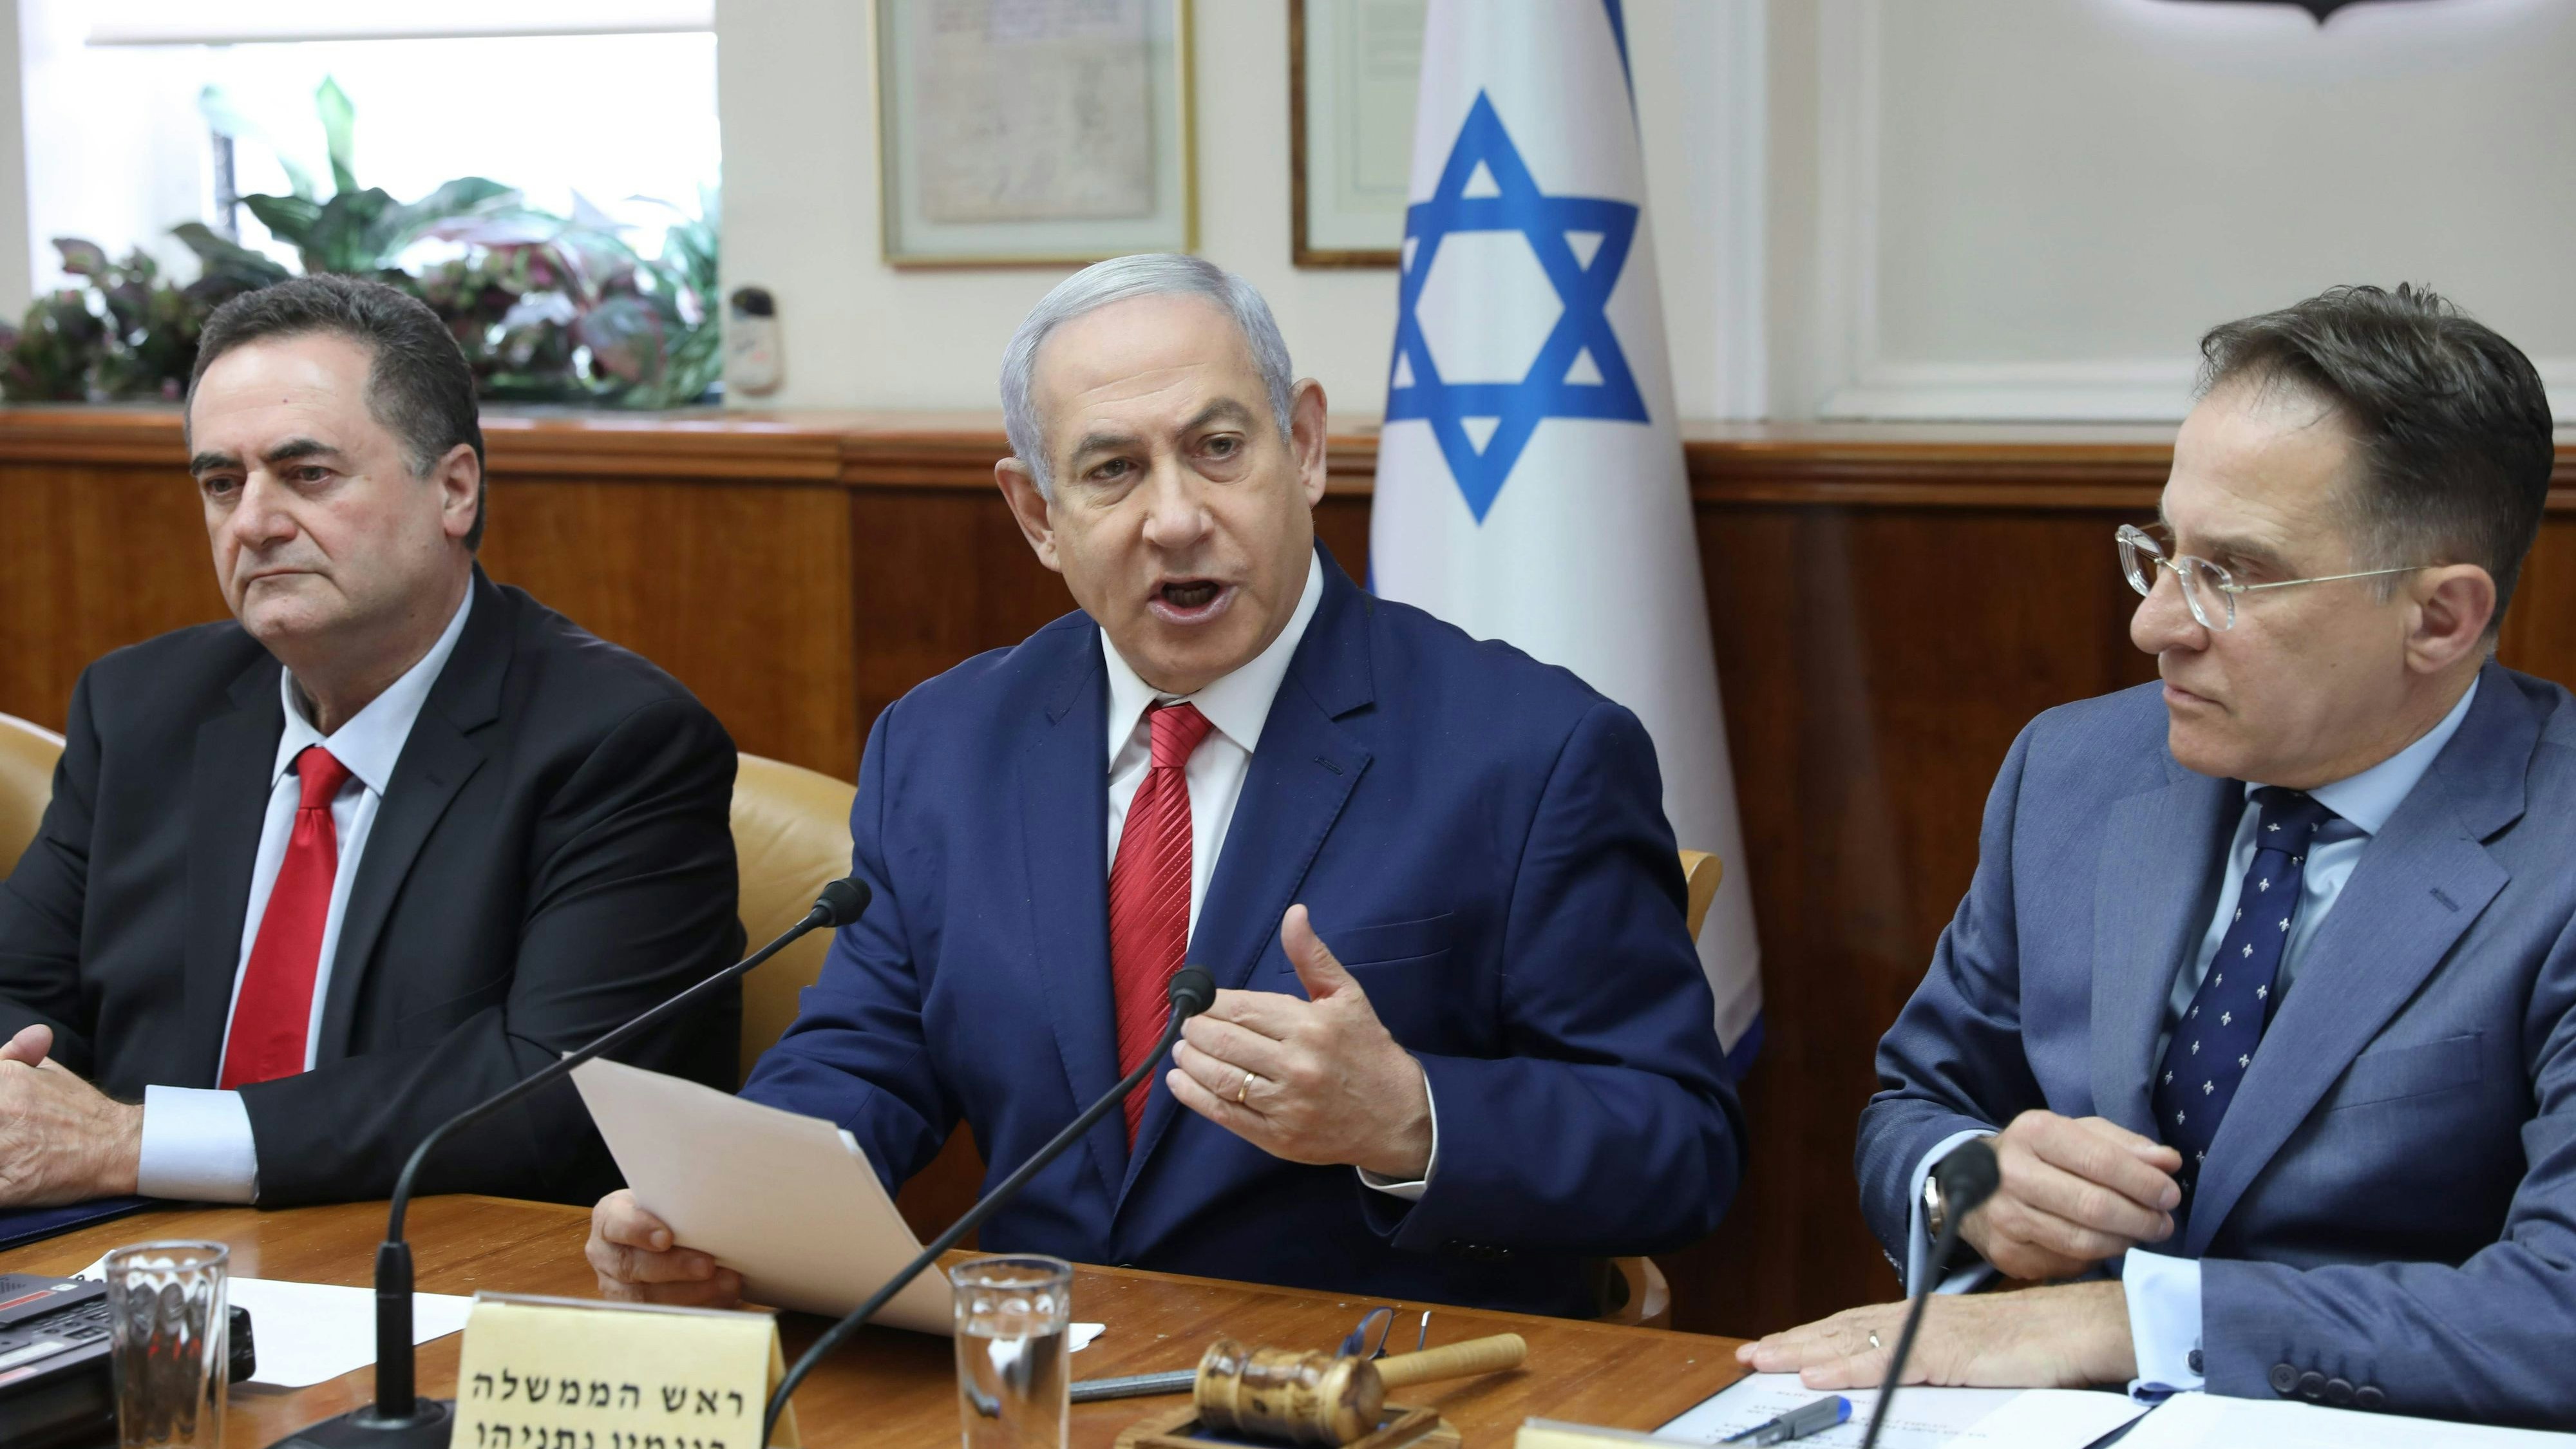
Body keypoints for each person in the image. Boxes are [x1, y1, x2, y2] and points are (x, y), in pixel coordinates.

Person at [586, 254, 1742, 1316]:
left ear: (1306, 447)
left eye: (1220, 448)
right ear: (1039, 515)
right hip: (1038, 1383)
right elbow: (862, 1059)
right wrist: (715, 1206)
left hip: (1371, 1395)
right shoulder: (943, 744)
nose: (1178, 518)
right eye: (1113, 471)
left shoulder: (1530, 751)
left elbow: (1681, 1144)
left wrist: (1409, 1116)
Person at [1739, 285, 2575, 1425]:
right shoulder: (2074, 769)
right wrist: (1976, 1184)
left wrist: (2126, 1320)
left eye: (2234, 573)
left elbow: (2555, 1310)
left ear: (2440, 618)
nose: (2155, 623)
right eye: (2165, 550)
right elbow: (1922, 1103)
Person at [0, 274, 744, 1208]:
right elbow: (17, 988)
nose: (253, 524)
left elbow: (555, 1089)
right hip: (127, 1256)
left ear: (454, 490)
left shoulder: (616, 742)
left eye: (307, 475)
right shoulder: (140, 708)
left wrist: (129, 1143)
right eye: (222, 483)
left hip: (434, 1263)